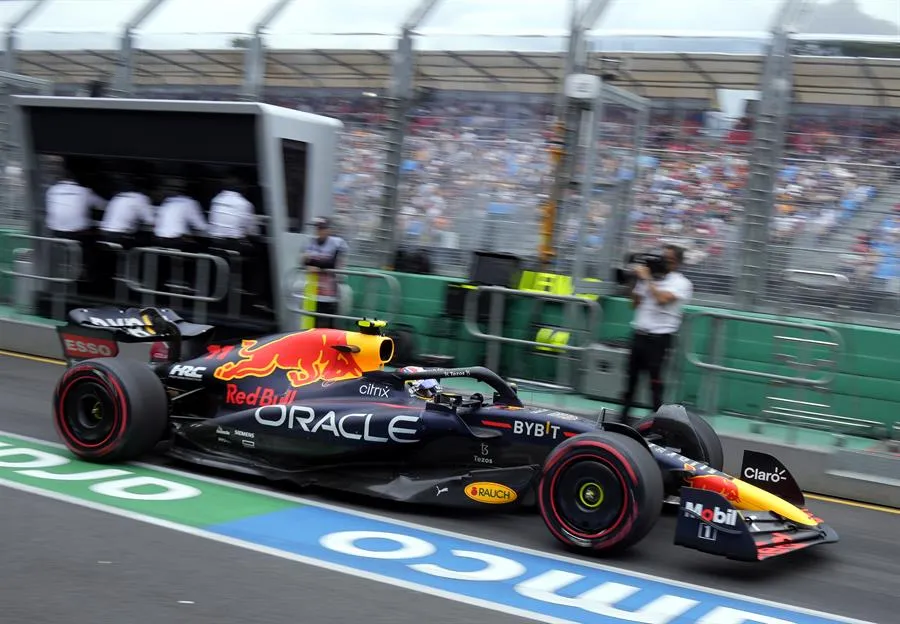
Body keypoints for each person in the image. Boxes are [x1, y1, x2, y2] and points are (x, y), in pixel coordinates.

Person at [620, 244, 693, 423]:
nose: (663, 262)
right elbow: (634, 304)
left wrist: (647, 279)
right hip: (639, 335)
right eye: (662, 258)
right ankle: (623, 419)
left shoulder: (681, 283)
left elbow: (662, 300)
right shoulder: (649, 278)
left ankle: (659, 424)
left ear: (677, 262)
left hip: (659, 340)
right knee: (631, 381)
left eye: (668, 259)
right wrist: (634, 280)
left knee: (655, 384)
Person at [302, 217, 348, 328]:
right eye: (317, 228)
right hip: (313, 291)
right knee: (311, 323)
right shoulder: (311, 242)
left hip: (329, 293)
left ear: (328, 230)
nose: (319, 231)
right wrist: (312, 263)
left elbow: (332, 263)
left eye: (322, 228)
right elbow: (304, 260)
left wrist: (314, 262)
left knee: (327, 325)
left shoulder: (337, 243)